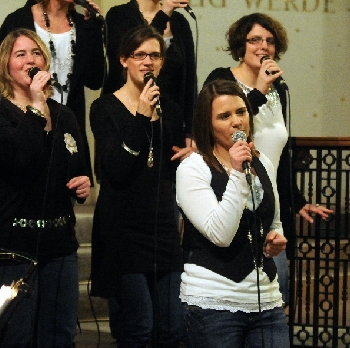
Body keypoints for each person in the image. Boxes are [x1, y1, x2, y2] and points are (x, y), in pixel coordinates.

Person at [0, 28, 91, 347]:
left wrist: (81, 184)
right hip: (8, 249)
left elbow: (77, 166)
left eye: (36, 53)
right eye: (20, 54)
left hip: (59, 245)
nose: (30, 60)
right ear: (4, 65)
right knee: (15, 338)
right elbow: (21, 158)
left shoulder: (64, 115)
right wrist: (36, 107)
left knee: (60, 337)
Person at [203, 12, 333, 304]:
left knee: (277, 291)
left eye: (270, 41)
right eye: (255, 40)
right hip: (233, 198)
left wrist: (296, 201)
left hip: (270, 206)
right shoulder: (221, 79)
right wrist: (259, 90)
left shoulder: (279, 91)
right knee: (240, 295)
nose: (263, 47)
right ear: (241, 44)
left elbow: (280, 154)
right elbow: (219, 128)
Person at [89, 25, 185, 347]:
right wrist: (142, 116)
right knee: (138, 327)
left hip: (161, 226)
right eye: (139, 54)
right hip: (124, 230)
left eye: (155, 55)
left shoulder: (169, 108)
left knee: (172, 328)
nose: (148, 62)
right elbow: (115, 168)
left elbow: (171, 165)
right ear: (123, 60)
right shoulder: (104, 108)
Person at [177, 79, 289, 348]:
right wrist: (238, 174)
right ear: (208, 123)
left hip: (265, 302)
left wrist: (276, 238)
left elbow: (273, 219)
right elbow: (220, 234)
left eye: (241, 112)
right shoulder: (193, 169)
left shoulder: (262, 162)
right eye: (224, 116)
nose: (237, 122)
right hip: (213, 304)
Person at [0, 0, 105, 182]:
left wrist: (94, 29)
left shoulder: (83, 23)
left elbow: (95, 80)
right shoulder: (19, 19)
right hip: (23, 119)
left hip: (67, 123)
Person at [103, 0, 196, 143]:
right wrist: (163, 15)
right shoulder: (119, 15)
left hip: (169, 119)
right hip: (128, 116)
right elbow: (122, 62)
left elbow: (189, 80)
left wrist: (191, 132)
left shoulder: (180, 22)